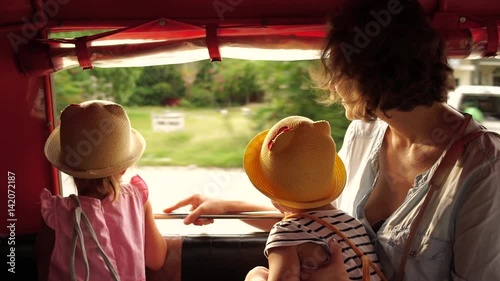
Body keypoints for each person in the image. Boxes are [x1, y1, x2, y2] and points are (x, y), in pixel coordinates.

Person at [165, 0, 500, 280]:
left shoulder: (484, 169)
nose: (333, 85)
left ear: (366, 76)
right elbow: (322, 221)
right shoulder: (364, 134)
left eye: (337, 70)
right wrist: (230, 207)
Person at [37, 100, 167, 281]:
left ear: (67, 167)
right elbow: (156, 260)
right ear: (123, 168)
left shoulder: (55, 215)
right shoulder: (137, 199)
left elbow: (44, 271)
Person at [241, 115, 383, 281]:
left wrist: (254, 277)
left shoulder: (287, 232)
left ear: (274, 194)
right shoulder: (354, 226)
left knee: (258, 272)